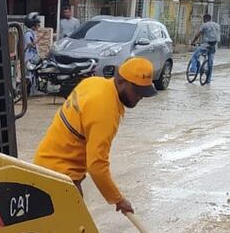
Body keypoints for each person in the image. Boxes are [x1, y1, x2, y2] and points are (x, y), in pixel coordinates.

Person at [33, 57, 159, 215]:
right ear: (121, 81)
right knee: (75, 228)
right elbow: (97, 165)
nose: (140, 97)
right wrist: (118, 199)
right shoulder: (105, 110)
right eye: (136, 91)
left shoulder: (94, 83)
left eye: (143, 92)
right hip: (60, 177)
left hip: (45, 164)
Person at [190, 14, 221, 85]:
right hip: (214, 46)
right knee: (210, 63)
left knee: (195, 56)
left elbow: (198, 34)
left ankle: (193, 70)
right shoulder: (217, 25)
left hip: (206, 45)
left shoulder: (204, 25)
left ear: (205, 19)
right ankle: (208, 80)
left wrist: (193, 42)